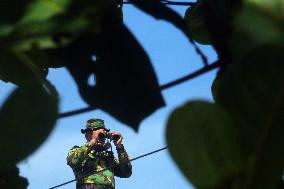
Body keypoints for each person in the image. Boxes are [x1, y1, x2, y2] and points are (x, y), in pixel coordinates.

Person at [67, 118, 132, 189]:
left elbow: (126, 172)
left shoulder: (106, 156)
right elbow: (72, 161)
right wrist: (93, 141)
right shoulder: (78, 151)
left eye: (104, 136)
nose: (102, 138)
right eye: (101, 135)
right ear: (88, 135)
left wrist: (119, 147)